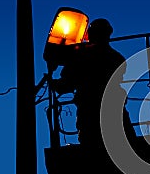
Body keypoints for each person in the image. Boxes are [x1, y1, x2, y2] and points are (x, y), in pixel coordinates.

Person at [53, 18, 131, 147]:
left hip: (90, 110)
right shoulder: (117, 57)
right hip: (116, 109)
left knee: (92, 144)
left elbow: (67, 82)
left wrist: (55, 83)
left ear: (89, 33)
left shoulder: (82, 55)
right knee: (124, 143)